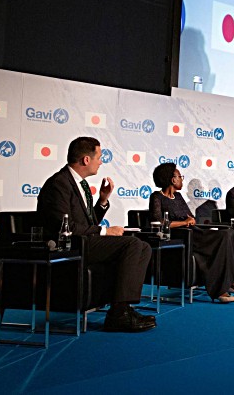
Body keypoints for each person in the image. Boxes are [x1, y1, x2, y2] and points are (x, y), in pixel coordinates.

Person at [36, 137, 155, 332]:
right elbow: (64, 226)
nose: (101, 162)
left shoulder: (81, 185)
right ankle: (119, 314)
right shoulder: (59, 183)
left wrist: (102, 200)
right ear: (85, 160)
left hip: (84, 241)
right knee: (132, 245)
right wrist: (106, 231)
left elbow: (87, 223)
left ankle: (122, 308)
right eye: (99, 157)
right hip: (69, 245)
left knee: (143, 246)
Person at [149, 163, 234, 303]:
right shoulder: (157, 197)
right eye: (180, 177)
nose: (182, 180)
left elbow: (190, 217)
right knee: (225, 235)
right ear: (173, 179)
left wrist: (189, 220)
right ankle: (222, 288)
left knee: (230, 233)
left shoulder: (178, 197)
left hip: (193, 231)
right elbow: (159, 223)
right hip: (179, 236)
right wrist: (184, 223)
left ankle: (233, 282)